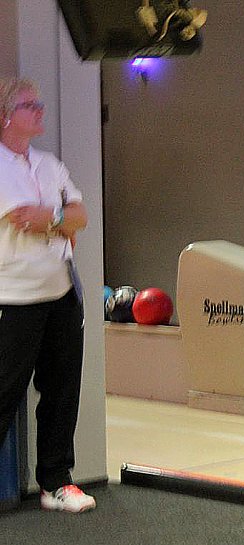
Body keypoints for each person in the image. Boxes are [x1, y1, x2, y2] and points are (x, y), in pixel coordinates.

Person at [0, 77, 95, 513]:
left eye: (40, 103)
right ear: (5, 115)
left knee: (61, 390)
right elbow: (22, 218)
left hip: (60, 294)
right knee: (4, 391)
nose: (39, 109)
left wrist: (51, 216)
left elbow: (79, 217)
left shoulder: (49, 164)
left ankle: (56, 482)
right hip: (12, 298)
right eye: (29, 104)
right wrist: (55, 219)